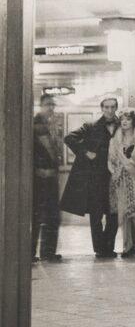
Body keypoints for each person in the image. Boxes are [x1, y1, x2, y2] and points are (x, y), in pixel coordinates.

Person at [62, 97, 120, 258]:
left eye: (112, 107)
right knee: (96, 215)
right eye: (106, 107)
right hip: (96, 178)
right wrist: (86, 152)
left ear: (116, 108)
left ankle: (109, 247)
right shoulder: (91, 126)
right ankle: (100, 249)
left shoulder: (122, 125)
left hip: (115, 177)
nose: (109, 110)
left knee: (114, 214)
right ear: (102, 108)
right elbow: (69, 138)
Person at [109, 107, 135, 258]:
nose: (124, 122)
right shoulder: (115, 140)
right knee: (125, 213)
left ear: (134, 121)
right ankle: (127, 246)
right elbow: (111, 161)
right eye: (122, 119)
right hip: (122, 180)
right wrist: (119, 170)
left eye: (128, 119)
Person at [32, 95, 62, 263]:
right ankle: (35, 252)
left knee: (52, 216)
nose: (51, 108)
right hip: (40, 178)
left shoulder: (50, 125)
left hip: (50, 177)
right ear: (40, 105)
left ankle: (48, 252)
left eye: (53, 105)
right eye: (47, 104)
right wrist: (38, 169)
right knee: (37, 215)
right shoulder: (34, 125)